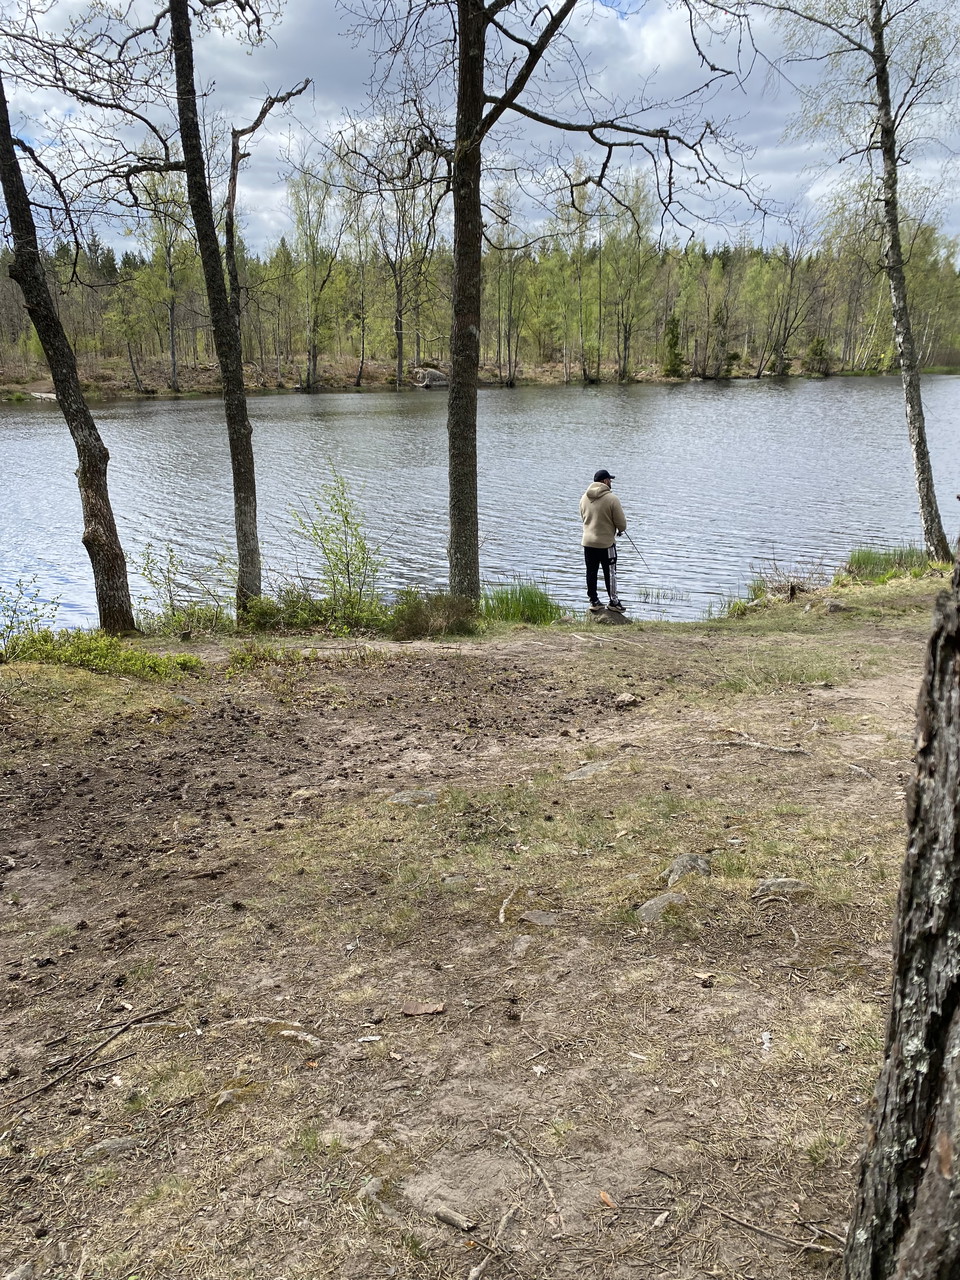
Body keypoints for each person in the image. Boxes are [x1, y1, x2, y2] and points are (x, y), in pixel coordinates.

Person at [580, 468, 626, 613]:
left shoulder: (583, 498)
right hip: (606, 544)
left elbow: (584, 517)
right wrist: (619, 529)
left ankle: (594, 601)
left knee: (591, 572)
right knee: (610, 572)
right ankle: (613, 601)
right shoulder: (612, 499)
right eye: (610, 480)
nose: (611, 482)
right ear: (605, 481)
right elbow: (622, 524)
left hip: (588, 542)